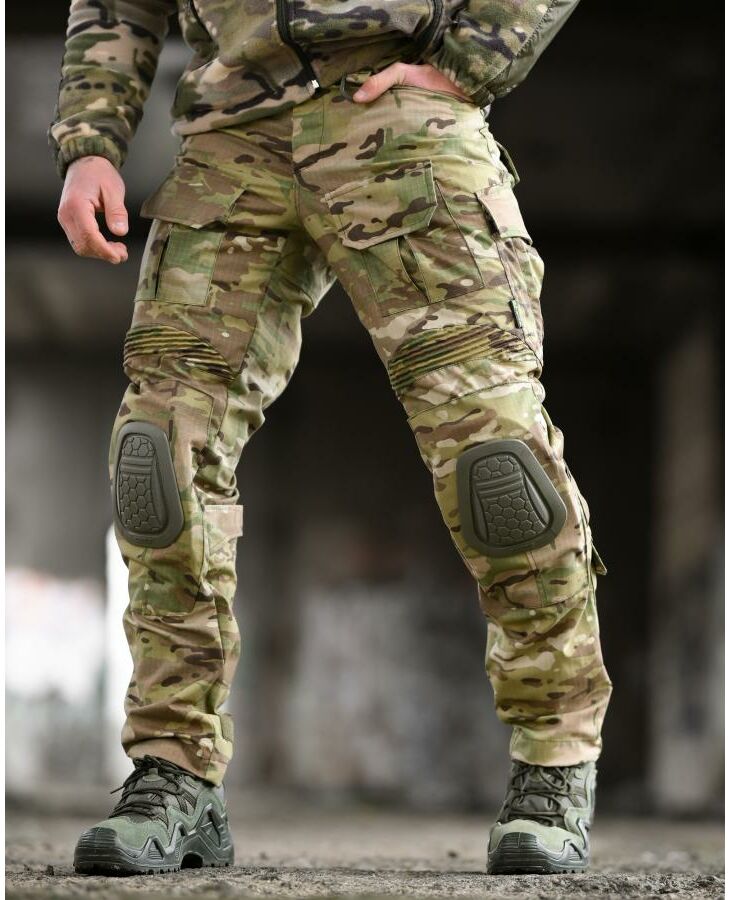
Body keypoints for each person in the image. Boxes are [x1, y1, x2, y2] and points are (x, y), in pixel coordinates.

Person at [51, 0, 611, 877]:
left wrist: (473, 57)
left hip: (400, 118)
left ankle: (555, 759)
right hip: (231, 130)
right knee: (158, 456)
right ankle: (174, 772)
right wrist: (90, 139)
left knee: (494, 457)